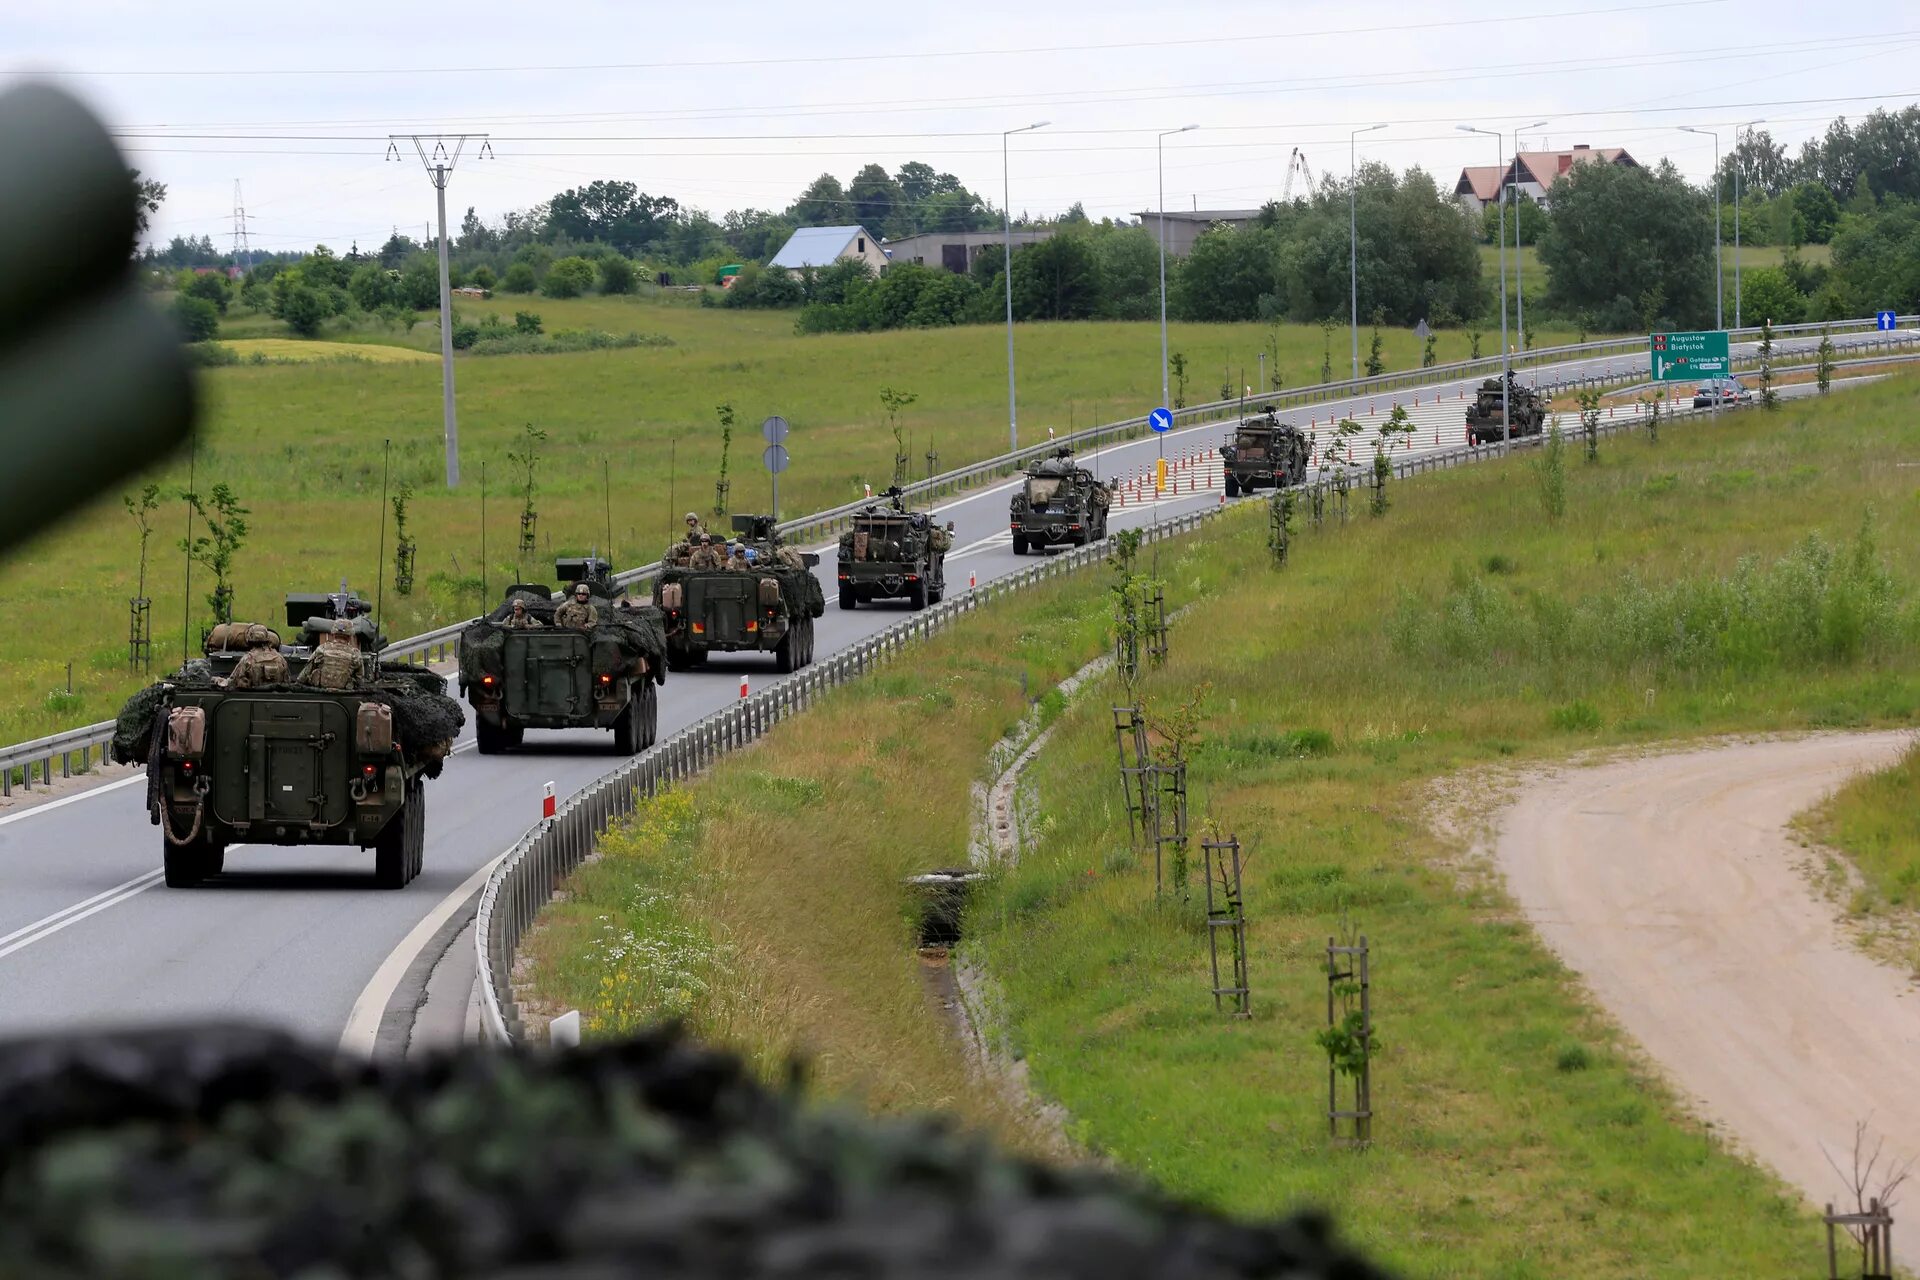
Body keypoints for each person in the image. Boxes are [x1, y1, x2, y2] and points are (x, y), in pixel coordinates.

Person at [297, 619, 367, 690]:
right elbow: (360, 680)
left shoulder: (321, 649)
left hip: (320, 693)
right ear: (349, 637)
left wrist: (298, 684)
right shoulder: (355, 654)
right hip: (344, 694)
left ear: (333, 634)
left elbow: (305, 673)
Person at [228, 624, 289, 689]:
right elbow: (287, 681)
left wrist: (217, 680)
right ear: (267, 638)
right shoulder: (280, 658)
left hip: (251, 698)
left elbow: (232, 682)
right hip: (277, 697)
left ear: (249, 639)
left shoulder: (247, 659)